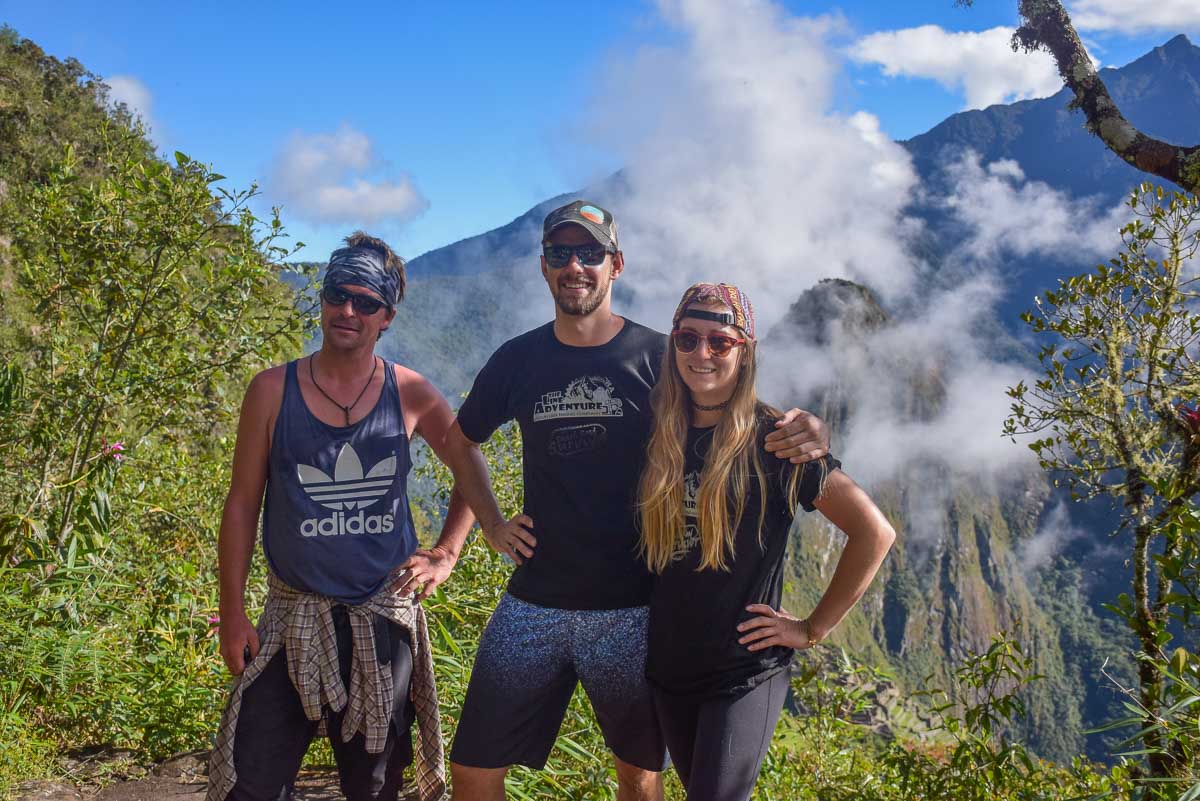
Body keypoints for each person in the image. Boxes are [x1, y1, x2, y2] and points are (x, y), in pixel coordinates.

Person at [440, 201, 833, 801]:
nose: (575, 265)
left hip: (633, 609)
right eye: (560, 253)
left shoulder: (662, 358)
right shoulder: (516, 360)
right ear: (543, 267)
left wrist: (809, 431)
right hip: (534, 600)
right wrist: (489, 526)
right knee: (471, 770)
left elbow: (730, 407)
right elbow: (460, 441)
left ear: (615, 264)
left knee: (639, 778)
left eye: (590, 253)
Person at [206, 233, 498, 801]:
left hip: (380, 621)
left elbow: (468, 461)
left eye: (366, 303)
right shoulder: (272, 390)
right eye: (339, 295)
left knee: (376, 786)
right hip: (293, 619)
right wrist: (233, 611)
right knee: (250, 780)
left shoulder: (408, 392)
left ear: (386, 316)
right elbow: (242, 503)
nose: (348, 311)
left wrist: (447, 552)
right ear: (322, 297)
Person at [638, 282, 896, 801]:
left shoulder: (776, 441)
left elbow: (874, 532)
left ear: (746, 350)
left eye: (720, 342)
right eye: (687, 339)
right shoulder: (656, 430)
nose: (701, 354)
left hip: (742, 673)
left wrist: (811, 628)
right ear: (672, 345)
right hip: (668, 670)